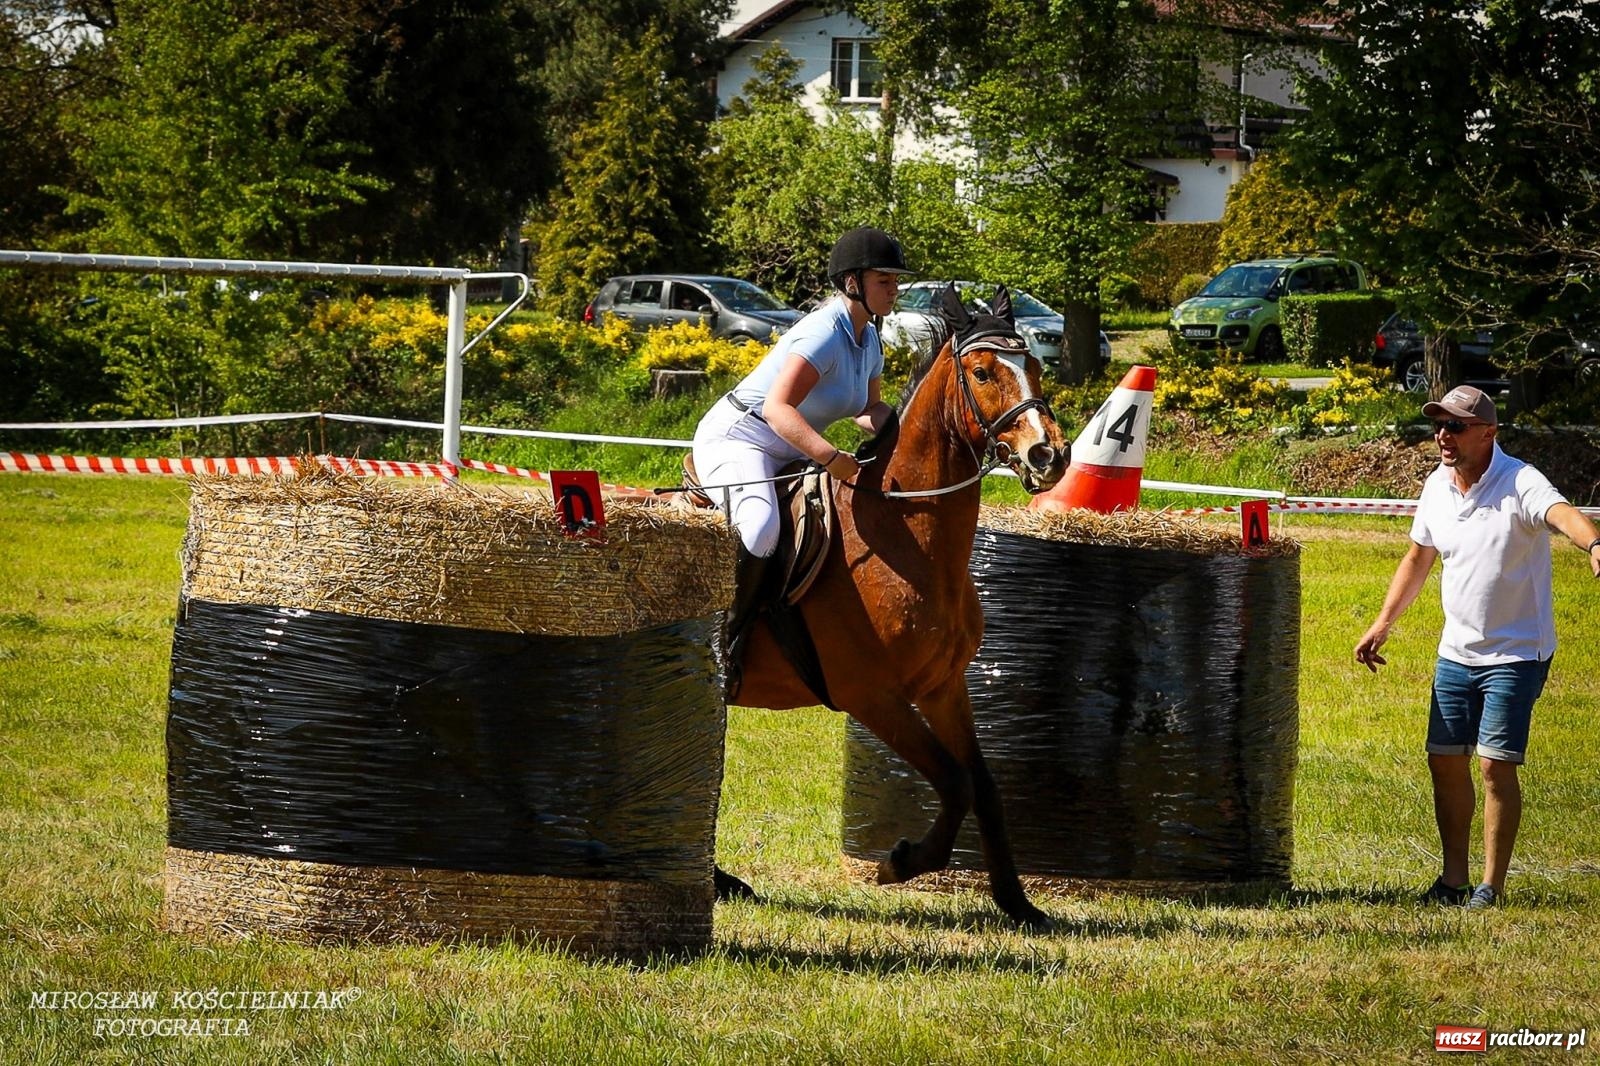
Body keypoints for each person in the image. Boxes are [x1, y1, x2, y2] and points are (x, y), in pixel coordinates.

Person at [1354, 384, 1600, 909]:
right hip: (1456, 651)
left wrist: (1595, 543)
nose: (1444, 435)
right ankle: (1453, 880)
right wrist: (1383, 622)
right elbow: (1418, 559)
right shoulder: (1436, 486)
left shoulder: (1519, 481)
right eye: (1439, 425)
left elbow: (1562, 514)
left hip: (1517, 652)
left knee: (1494, 765)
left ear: (1488, 432)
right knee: (1444, 760)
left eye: (1456, 426)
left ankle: (1490, 886)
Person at [691, 226, 908, 690]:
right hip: (741, 436)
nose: (895, 289)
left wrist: (906, 429)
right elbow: (776, 408)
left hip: (792, 445)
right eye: (884, 280)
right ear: (853, 283)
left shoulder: (870, 340)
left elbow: (868, 410)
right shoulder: (822, 334)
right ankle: (723, 644)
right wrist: (830, 457)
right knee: (761, 525)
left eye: (895, 281)